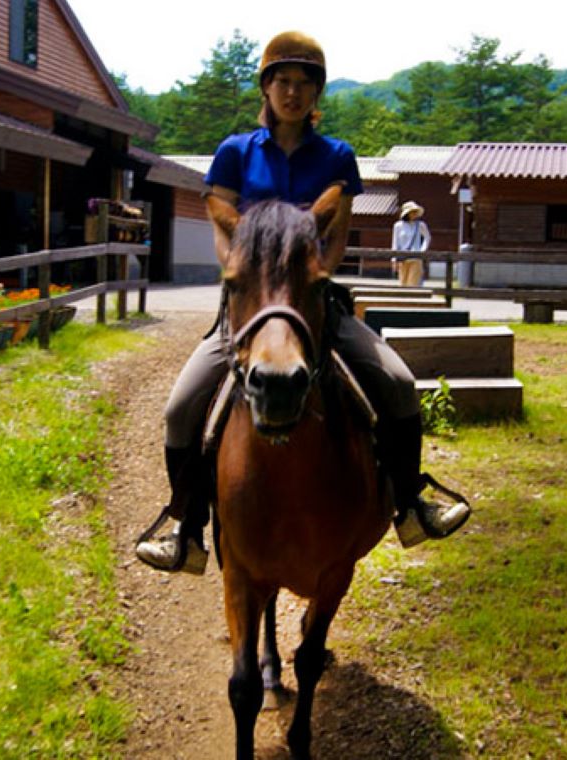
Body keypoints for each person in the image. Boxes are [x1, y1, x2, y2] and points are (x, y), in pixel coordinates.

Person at [134, 31, 471, 574]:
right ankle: (185, 525)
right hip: (247, 310)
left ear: (317, 94)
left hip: (315, 305)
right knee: (181, 407)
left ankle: (411, 503)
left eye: (304, 84)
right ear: (265, 89)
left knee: (400, 384)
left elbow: (337, 230)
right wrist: (237, 269)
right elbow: (220, 221)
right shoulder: (234, 152)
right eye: (282, 82)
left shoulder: (336, 155)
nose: (293, 93)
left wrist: (318, 273)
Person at [391, 201, 430, 287]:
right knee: (403, 283)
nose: (414, 214)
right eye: (412, 212)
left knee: (414, 284)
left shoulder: (420, 225)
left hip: (416, 258)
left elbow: (427, 237)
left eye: (415, 211)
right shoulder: (398, 226)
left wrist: (422, 250)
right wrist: (394, 259)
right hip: (402, 259)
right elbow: (395, 243)